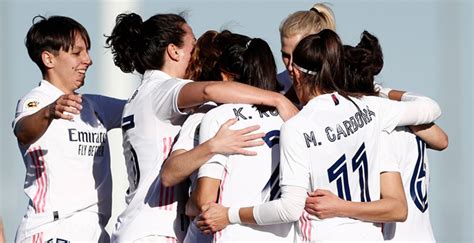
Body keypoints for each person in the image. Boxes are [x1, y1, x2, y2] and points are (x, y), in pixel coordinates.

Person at [196, 29, 442, 241]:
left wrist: (229, 214)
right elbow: (431, 109)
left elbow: (290, 209)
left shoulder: (296, 126)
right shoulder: (369, 107)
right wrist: (383, 92)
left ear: (296, 74)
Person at [105, 13, 297, 242]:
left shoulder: (143, 93)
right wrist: (277, 100)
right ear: (173, 51)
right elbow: (209, 91)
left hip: (140, 226)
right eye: (193, 44)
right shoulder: (164, 89)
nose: (196, 53)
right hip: (155, 229)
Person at [303, 31, 447, 241]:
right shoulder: (407, 122)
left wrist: (339, 207)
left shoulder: (377, 130)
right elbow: (442, 140)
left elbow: (395, 208)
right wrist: (383, 92)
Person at [13, 15, 125, 242]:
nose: (88, 60)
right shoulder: (36, 100)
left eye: (87, 51)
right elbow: (23, 131)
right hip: (53, 228)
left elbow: (144, 109)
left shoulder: (94, 105)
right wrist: (49, 111)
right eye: (77, 52)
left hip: (95, 230)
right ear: (48, 59)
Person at [185, 33, 294, 242]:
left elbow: (205, 201)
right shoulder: (290, 116)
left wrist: (188, 203)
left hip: (234, 234)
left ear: (225, 77)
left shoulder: (220, 117)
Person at [278, 3, 336, 103]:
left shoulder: (347, 84)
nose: (290, 66)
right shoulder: (276, 86)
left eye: (298, 56)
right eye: (285, 56)